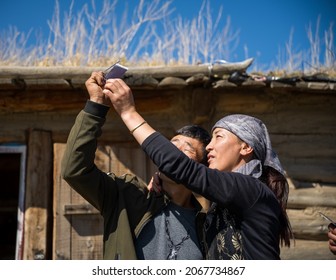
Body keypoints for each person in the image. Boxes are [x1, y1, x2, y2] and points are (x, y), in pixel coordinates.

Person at [103, 76, 294, 260]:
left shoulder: (253, 191)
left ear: (245, 147)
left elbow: (186, 169)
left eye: (219, 136)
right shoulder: (218, 204)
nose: (210, 146)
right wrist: (166, 180)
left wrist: (129, 112)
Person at [61, 71, 211, 260]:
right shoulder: (127, 196)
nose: (172, 153)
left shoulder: (207, 226)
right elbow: (74, 171)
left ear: (201, 169)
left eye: (186, 151)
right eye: (171, 146)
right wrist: (96, 105)